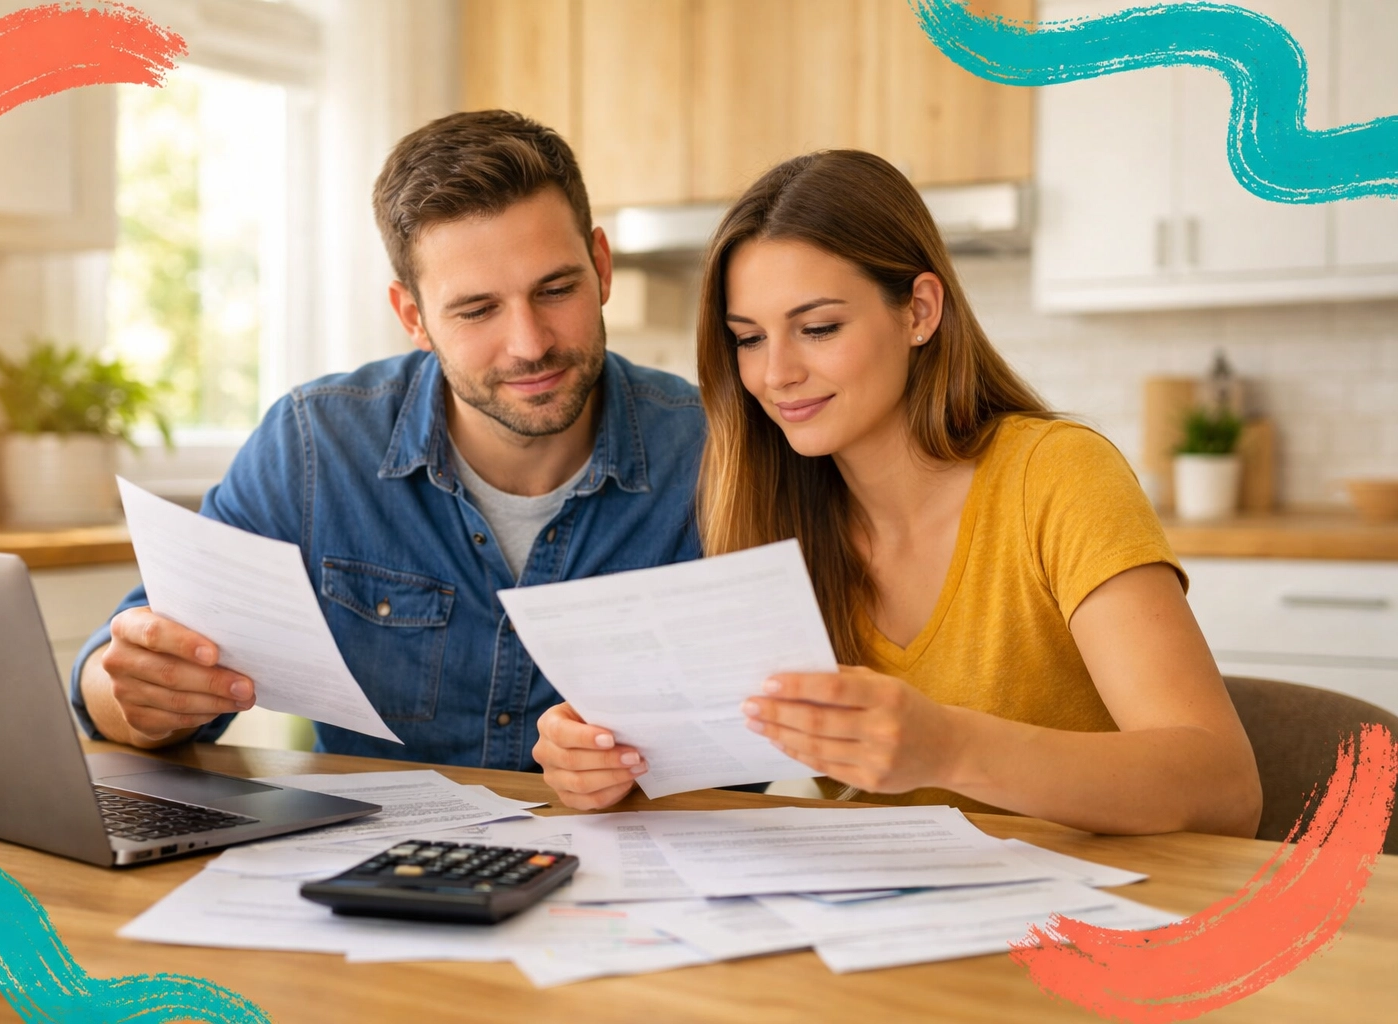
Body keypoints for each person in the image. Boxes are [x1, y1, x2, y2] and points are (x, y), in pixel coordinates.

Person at [539, 150, 1262, 838]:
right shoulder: (771, 513)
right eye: (749, 338)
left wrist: (948, 747)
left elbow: (1225, 790)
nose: (776, 373)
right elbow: (725, 771)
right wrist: (611, 765)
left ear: (919, 311)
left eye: (818, 327)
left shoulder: (1058, 477)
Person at [71, 110, 702, 772]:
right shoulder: (315, 448)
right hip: (381, 868)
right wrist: (137, 696)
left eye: (555, 289)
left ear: (600, 266)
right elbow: (131, 669)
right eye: (477, 310)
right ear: (413, 317)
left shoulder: (714, 451)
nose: (530, 344)